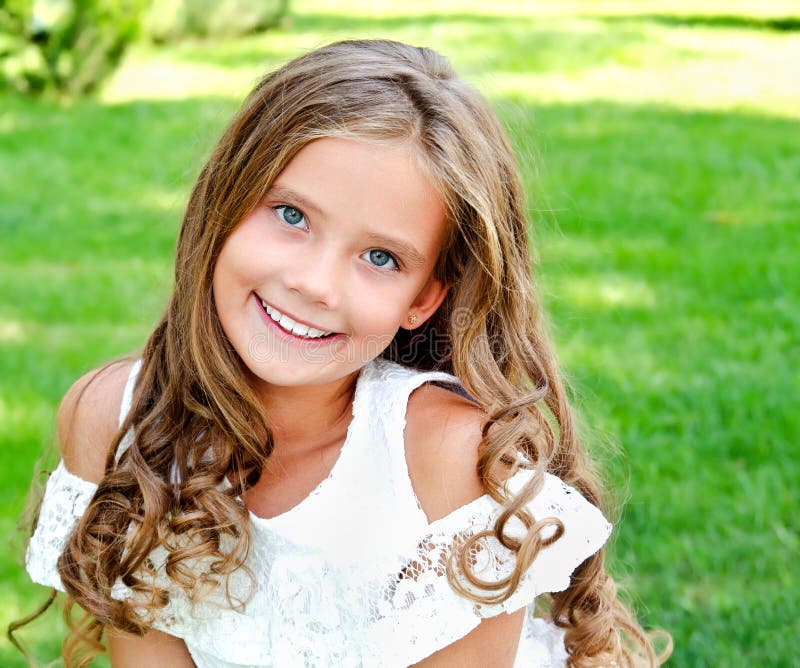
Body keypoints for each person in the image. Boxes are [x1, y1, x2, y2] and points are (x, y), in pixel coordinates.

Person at [15, 39, 668, 667]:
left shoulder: (449, 464)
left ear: (423, 298)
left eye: (380, 258)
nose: (315, 284)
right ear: (225, 200)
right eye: (292, 215)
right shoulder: (112, 419)